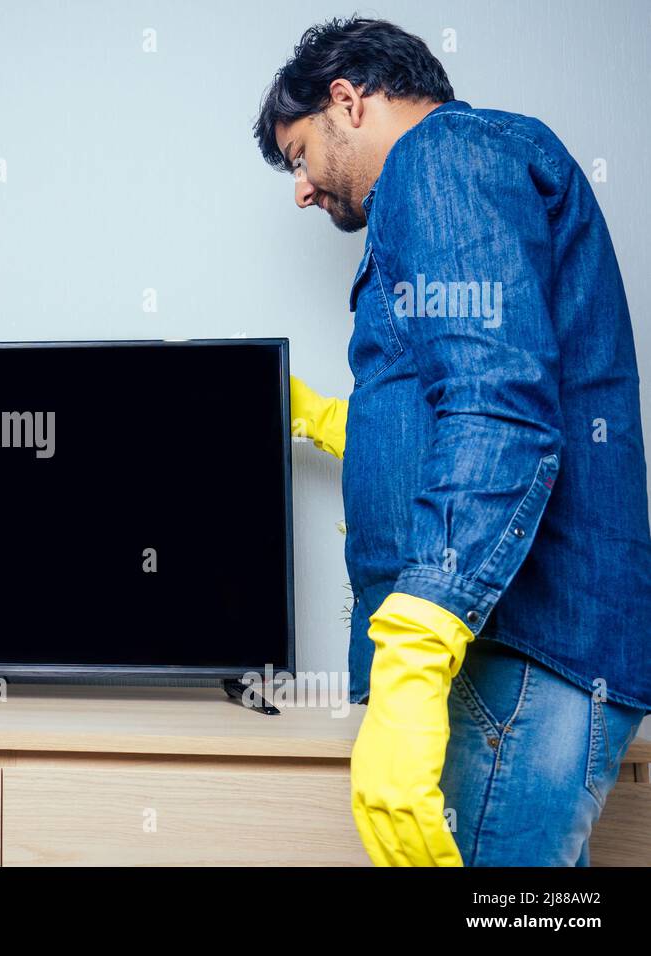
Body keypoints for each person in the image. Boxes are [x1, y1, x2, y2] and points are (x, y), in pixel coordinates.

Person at [255, 18, 650, 865]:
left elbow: (496, 411)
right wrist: (322, 417)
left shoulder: (441, 158)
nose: (301, 190)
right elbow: (468, 393)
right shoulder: (467, 172)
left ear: (347, 101)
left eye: (298, 158)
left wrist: (414, 648)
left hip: (512, 660)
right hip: (513, 665)